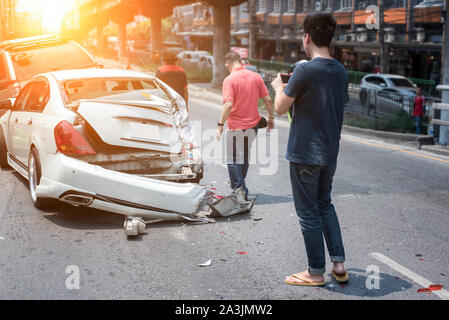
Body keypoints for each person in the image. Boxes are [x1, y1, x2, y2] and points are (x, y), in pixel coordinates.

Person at [271, 12, 348, 286]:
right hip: (330, 154)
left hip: (305, 154)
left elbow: (281, 108)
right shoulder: (340, 71)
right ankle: (338, 264)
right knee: (325, 204)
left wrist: (279, 85)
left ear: (307, 37)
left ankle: (315, 272)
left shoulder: (304, 70)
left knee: (308, 213)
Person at [216, 51, 274, 200]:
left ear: (227, 65)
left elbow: (228, 105)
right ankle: (240, 186)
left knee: (233, 159)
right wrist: (271, 118)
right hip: (253, 125)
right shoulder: (255, 77)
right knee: (245, 155)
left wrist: (220, 124)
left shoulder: (229, 80)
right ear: (240, 62)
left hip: (236, 126)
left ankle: (239, 189)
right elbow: (268, 100)